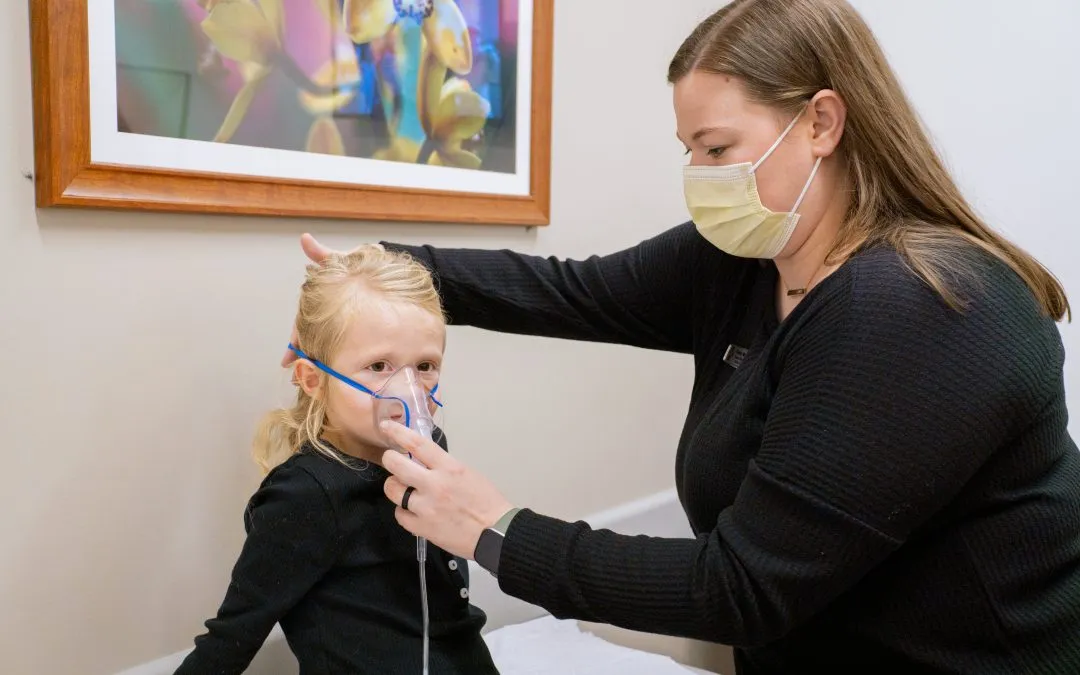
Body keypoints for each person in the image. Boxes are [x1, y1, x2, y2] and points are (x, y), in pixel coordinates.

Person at [288, 1, 1080, 673]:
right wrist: (380, 268)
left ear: (822, 123)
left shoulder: (918, 306)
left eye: (717, 148)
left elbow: (739, 587)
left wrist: (495, 529)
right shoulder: (747, 260)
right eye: (690, 150)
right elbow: (570, 290)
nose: (699, 175)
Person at [179, 246, 499, 674]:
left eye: (424, 366)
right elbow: (236, 631)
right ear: (313, 379)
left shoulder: (428, 449)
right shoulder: (305, 495)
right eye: (379, 365)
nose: (408, 392)